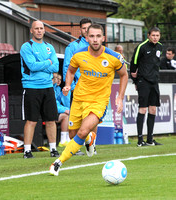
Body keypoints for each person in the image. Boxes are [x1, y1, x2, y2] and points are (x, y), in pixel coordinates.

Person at [49, 24, 128, 176]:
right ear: (87, 38)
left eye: (98, 36)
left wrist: (120, 97)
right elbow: (71, 71)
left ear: (103, 38)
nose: (95, 39)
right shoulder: (79, 54)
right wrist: (67, 85)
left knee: (83, 130)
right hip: (79, 99)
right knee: (74, 135)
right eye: (92, 36)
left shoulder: (114, 57)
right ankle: (89, 140)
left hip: (99, 101)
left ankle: (58, 162)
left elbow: (124, 75)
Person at [20, 20, 60, 158]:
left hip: (48, 87)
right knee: (31, 120)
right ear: (31, 30)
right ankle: (27, 151)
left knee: (51, 120)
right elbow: (32, 66)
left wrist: (44, 64)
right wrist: (48, 62)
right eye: (36, 28)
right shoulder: (26, 47)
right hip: (31, 87)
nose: (39, 30)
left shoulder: (50, 47)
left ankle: (53, 149)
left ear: (44, 30)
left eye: (41, 28)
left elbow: (56, 67)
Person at [63, 18, 93, 156]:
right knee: (75, 122)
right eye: (84, 28)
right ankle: (76, 147)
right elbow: (67, 69)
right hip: (78, 89)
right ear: (80, 30)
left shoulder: (97, 47)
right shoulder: (73, 47)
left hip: (93, 89)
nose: (86, 31)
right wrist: (71, 86)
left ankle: (92, 144)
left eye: (89, 28)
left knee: (93, 117)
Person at [130, 27, 163, 147]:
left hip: (154, 82)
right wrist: (136, 81)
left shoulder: (160, 47)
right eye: (153, 35)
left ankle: (150, 139)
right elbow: (134, 64)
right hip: (143, 81)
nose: (155, 37)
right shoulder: (142, 47)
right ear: (148, 35)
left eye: (157, 35)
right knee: (142, 109)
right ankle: (140, 140)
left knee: (153, 109)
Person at [52, 73, 70, 147]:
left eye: (60, 79)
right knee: (65, 115)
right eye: (56, 78)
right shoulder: (51, 88)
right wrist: (64, 109)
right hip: (51, 113)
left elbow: (65, 103)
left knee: (69, 113)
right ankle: (63, 140)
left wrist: (65, 94)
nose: (58, 81)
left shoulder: (58, 89)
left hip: (57, 111)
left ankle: (67, 138)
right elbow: (53, 104)